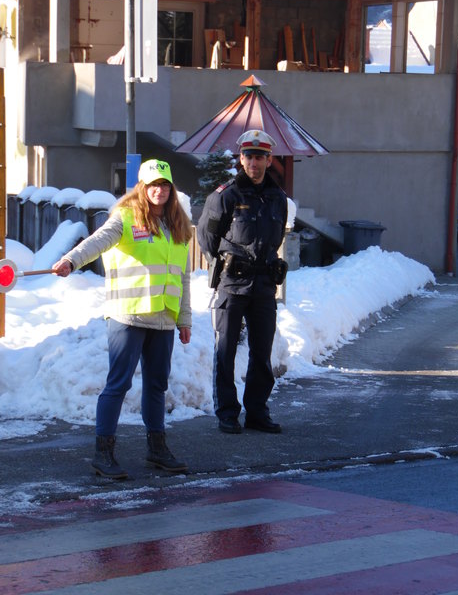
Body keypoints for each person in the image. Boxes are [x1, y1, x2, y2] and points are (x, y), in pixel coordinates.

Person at [52, 159, 192, 479]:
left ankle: (157, 450)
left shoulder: (178, 228)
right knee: (119, 383)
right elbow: (98, 241)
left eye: (165, 185)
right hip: (128, 315)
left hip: (163, 319)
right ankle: (104, 454)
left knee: (156, 385)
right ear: (142, 188)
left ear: (172, 189)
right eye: (153, 185)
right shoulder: (125, 218)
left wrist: (184, 320)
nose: (160, 190)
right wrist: (72, 260)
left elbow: (182, 278)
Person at [197, 129, 288, 435]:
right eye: (249, 156)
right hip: (232, 285)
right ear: (241, 158)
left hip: (263, 287)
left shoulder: (277, 198)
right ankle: (226, 412)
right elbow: (207, 238)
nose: (254, 162)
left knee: (262, 352)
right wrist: (227, 262)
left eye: (260, 156)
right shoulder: (225, 196)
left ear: (269, 159)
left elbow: (276, 239)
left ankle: (257, 412)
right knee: (225, 351)